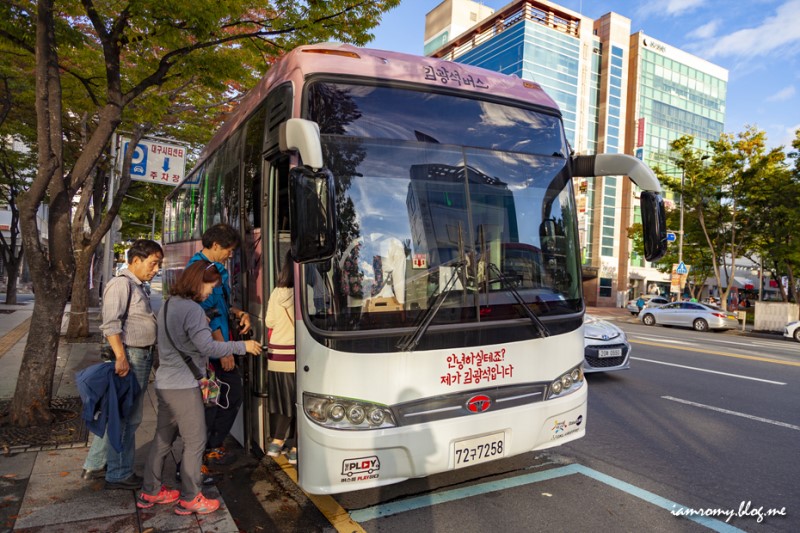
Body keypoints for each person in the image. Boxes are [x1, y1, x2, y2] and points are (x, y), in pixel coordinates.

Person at [138, 260, 262, 515]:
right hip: (184, 386)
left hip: (165, 383)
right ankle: (191, 497)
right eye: (209, 287)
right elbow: (209, 348)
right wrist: (243, 347)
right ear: (197, 282)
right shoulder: (192, 310)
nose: (209, 293)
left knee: (163, 439)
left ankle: (150, 491)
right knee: (196, 441)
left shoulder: (170, 304)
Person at [82, 239, 163, 490]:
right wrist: (121, 357)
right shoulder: (121, 284)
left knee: (116, 415)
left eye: (158, 264)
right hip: (131, 357)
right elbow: (111, 325)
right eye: (153, 263)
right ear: (136, 260)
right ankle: (118, 473)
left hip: (139, 355)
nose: (156, 269)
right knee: (129, 418)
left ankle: (95, 465)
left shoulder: (138, 286)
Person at [186, 224, 251, 467]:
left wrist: (238, 311)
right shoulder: (201, 270)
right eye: (228, 249)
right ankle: (208, 449)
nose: (230, 254)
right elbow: (207, 314)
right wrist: (224, 350)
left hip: (220, 342)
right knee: (226, 396)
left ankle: (209, 448)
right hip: (214, 348)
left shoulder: (214, 268)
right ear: (215, 246)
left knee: (222, 397)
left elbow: (220, 305)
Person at [265, 251, 297, 464]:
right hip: (295, 353)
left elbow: (269, 322)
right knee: (296, 401)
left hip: (276, 354)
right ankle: (295, 446)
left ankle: (276, 442)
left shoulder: (277, 292)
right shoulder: (305, 290)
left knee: (280, 399)